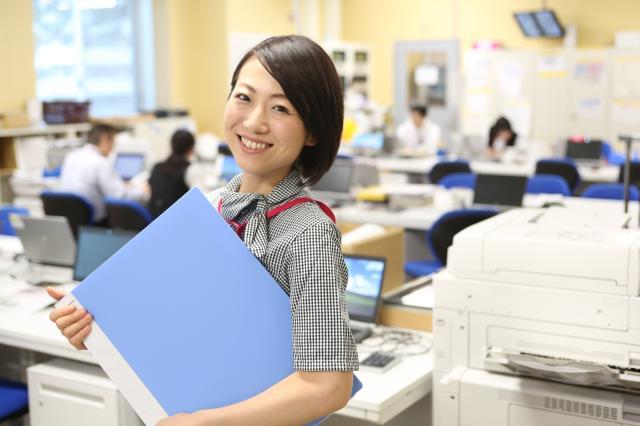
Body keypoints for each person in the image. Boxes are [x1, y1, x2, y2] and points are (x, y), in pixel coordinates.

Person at [47, 35, 358, 424]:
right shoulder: (209, 207)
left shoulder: (308, 233)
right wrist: (94, 327)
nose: (254, 121)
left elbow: (328, 386)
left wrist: (204, 423)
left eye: (280, 107)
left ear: (313, 131)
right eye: (244, 97)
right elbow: (175, 325)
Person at [57, 123, 149, 224]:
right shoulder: (100, 162)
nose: (113, 147)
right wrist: (143, 192)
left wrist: (123, 185)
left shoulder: (71, 156)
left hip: (72, 220)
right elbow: (120, 196)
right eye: (113, 141)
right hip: (96, 223)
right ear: (105, 139)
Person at [147, 129, 195, 217]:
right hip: (178, 219)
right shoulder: (189, 169)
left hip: (155, 219)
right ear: (191, 148)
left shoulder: (157, 167)